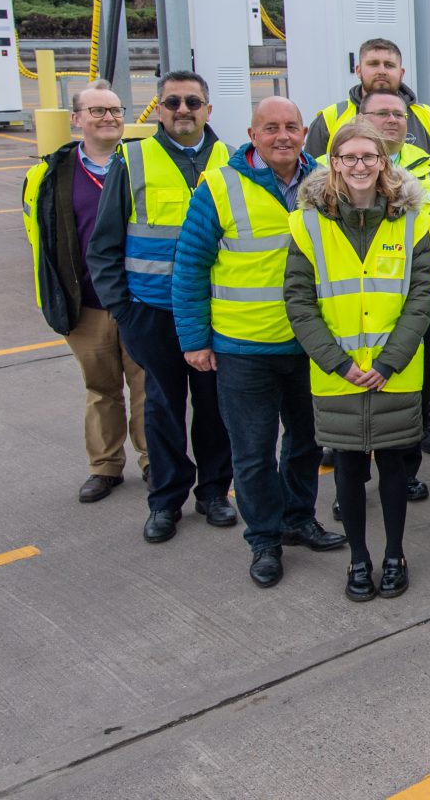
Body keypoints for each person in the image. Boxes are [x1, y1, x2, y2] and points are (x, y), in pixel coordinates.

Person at [174, 96, 346, 586]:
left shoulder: (324, 182)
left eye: (292, 126)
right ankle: (264, 539)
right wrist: (194, 339)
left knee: (306, 443)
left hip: (310, 344)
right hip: (243, 347)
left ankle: (298, 519)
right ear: (252, 136)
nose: (283, 136)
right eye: (270, 128)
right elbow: (189, 267)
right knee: (252, 451)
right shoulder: (220, 186)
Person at [284, 122, 430, 602]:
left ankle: (394, 554)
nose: (359, 166)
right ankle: (359, 558)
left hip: (394, 372)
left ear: (384, 162)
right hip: (339, 376)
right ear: (333, 163)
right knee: (348, 472)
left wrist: (389, 361)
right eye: (348, 157)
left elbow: (421, 296)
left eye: (369, 157)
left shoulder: (413, 220)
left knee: (395, 469)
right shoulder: (308, 223)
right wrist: (338, 363)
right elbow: (299, 302)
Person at [85, 71, 236, 543]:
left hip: (215, 312)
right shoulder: (133, 160)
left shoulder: (232, 159)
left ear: (208, 109)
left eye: (193, 101)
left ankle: (213, 492)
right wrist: (123, 310)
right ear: (159, 109)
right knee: (163, 410)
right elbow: (103, 245)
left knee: (215, 409)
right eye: (172, 102)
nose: (183, 110)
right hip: (151, 313)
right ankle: (166, 501)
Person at [22, 81, 148, 502]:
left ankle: (154, 462)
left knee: (149, 387)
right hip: (87, 304)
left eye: (114, 110)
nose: (109, 117)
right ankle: (105, 466)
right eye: (97, 111)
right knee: (101, 389)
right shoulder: (50, 174)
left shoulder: (142, 163)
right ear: (76, 120)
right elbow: (40, 238)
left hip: (138, 300)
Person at [361, 88, 430, 480]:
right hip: (354, 297)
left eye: (399, 115)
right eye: (381, 113)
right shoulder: (332, 165)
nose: (392, 120)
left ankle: (416, 439)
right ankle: (353, 460)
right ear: (361, 118)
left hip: (420, 292)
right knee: (357, 380)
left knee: (419, 371)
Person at [303, 37, 430, 176]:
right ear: (358, 70)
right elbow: (311, 173)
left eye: (389, 65)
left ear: (401, 72)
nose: (381, 71)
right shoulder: (331, 118)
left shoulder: (429, 117)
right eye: (373, 64)